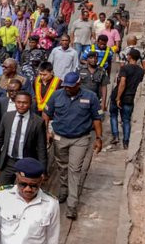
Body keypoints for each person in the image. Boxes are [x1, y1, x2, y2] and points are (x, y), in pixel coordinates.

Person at [43, 72, 102, 220]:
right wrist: (46, 131)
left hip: (80, 139)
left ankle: (72, 205)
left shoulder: (91, 97)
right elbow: (46, 114)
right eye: (65, 86)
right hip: (59, 138)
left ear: (78, 84)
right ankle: (63, 189)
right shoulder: (56, 95)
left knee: (74, 169)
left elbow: (97, 118)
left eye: (70, 86)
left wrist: (99, 138)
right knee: (62, 166)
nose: (67, 89)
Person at [0, 92, 47, 187]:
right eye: (18, 102)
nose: (21, 105)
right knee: (2, 190)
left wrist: (43, 170)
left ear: (30, 104)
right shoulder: (7, 116)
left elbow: (41, 148)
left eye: (25, 103)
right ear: (15, 102)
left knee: (24, 192)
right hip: (8, 162)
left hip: (27, 163)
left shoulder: (38, 122)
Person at [109, 49, 145, 150]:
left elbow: (122, 83)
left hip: (119, 95)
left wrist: (118, 98)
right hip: (130, 98)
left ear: (129, 56)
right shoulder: (141, 71)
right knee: (126, 120)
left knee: (113, 115)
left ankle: (115, 136)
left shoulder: (124, 68)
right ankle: (126, 141)